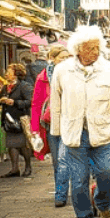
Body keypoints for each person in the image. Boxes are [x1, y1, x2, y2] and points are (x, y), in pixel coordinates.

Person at [50, 25, 110, 218]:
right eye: (89, 48)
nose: (94, 52)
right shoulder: (62, 70)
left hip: (103, 130)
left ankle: (103, 203)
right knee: (78, 179)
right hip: (74, 133)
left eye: (97, 48)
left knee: (106, 171)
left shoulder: (109, 69)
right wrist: (56, 131)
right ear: (78, 49)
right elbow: (55, 102)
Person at [30, 45, 73, 206]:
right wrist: (34, 128)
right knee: (58, 160)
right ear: (53, 59)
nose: (66, 61)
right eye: (62, 58)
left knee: (66, 159)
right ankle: (61, 191)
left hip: (71, 122)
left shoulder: (75, 74)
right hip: (51, 123)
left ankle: (63, 193)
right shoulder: (43, 77)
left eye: (68, 57)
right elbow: (36, 103)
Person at [0, 63, 33, 178]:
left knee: (23, 144)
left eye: (9, 72)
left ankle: (28, 167)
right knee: (11, 144)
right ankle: (14, 169)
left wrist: (14, 102)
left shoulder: (24, 86)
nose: (6, 74)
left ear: (16, 74)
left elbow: (30, 102)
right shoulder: (6, 87)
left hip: (20, 118)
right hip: (9, 120)